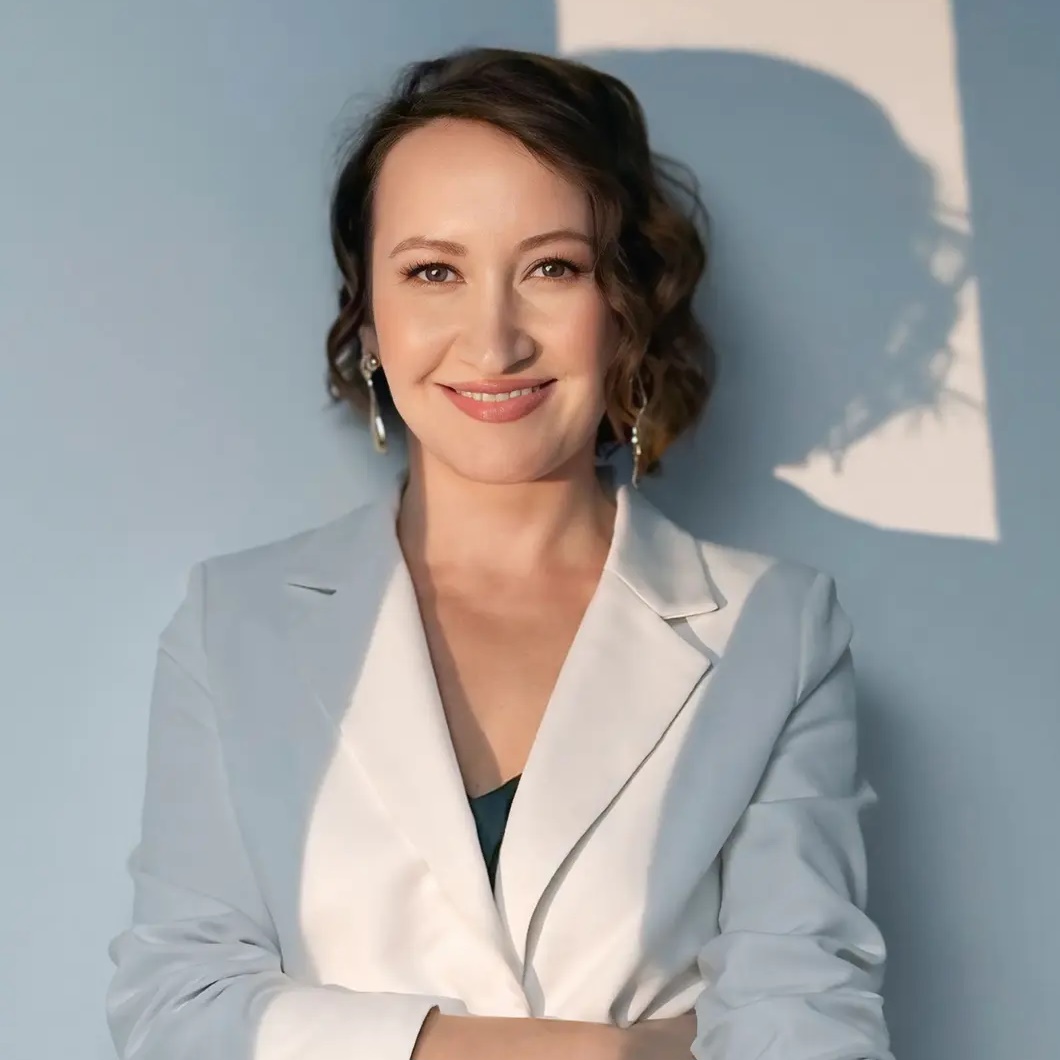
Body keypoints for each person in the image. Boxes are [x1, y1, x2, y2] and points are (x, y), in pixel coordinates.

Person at [105, 47, 894, 1060]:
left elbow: (808, 1019)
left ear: (623, 307)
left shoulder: (776, 628)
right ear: (369, 318)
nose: (494, 339)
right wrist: (613, 1051)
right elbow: (175, 1011)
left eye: (552, 268)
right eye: (433, 271)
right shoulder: (234, 620)